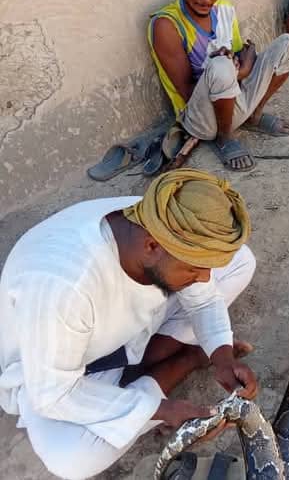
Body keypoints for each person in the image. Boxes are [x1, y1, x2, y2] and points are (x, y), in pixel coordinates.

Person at [0, 169, 260, 479]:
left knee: (241, 261)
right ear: (152, 247)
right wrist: (162, 410)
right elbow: (53, 394)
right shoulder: (63, 285)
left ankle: (161, 366)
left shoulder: (163, 223)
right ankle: (186, 361)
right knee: (71, 459)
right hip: (62, 365)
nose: (204, 279)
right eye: (195, 269)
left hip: (123, 331)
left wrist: (221, 355)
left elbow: (203, 299)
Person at [150, 0, 289, 172]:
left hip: (233, 96)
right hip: (201, 118)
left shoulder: (224, 9)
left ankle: (254, 115)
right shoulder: (167, 25)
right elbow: (188, 93)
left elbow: (239, 56)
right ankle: (225, 137)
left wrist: (245, 59)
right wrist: (240, 69)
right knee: (221, 66)